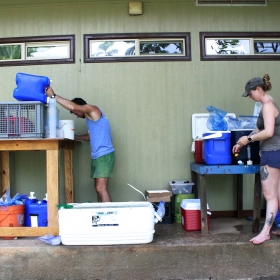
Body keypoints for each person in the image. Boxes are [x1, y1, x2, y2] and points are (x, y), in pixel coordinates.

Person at [232, 74, 280, 245]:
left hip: (272, 152)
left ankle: (265, 232)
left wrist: (249, 140)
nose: (250, 97)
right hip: (277, 151)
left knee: (270, 196)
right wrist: (242, 141)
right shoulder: (269, 102)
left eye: (250, 93)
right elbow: (259, 128)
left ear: (258, 89)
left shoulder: (267, 105)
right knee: (278, 195)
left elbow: (268, 132)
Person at [45, 86, 115, 203]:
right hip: (98, 156)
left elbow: (72, 106)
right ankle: (101, 214)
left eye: (75, 112)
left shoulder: (93, 110)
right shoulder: (90, 119)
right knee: (98, 189)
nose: (76, 115)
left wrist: (53, 96)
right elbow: (91, 137)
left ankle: (110, 216)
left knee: (100, 188)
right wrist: (76, 137)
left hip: (104, 155)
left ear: (80, 107)